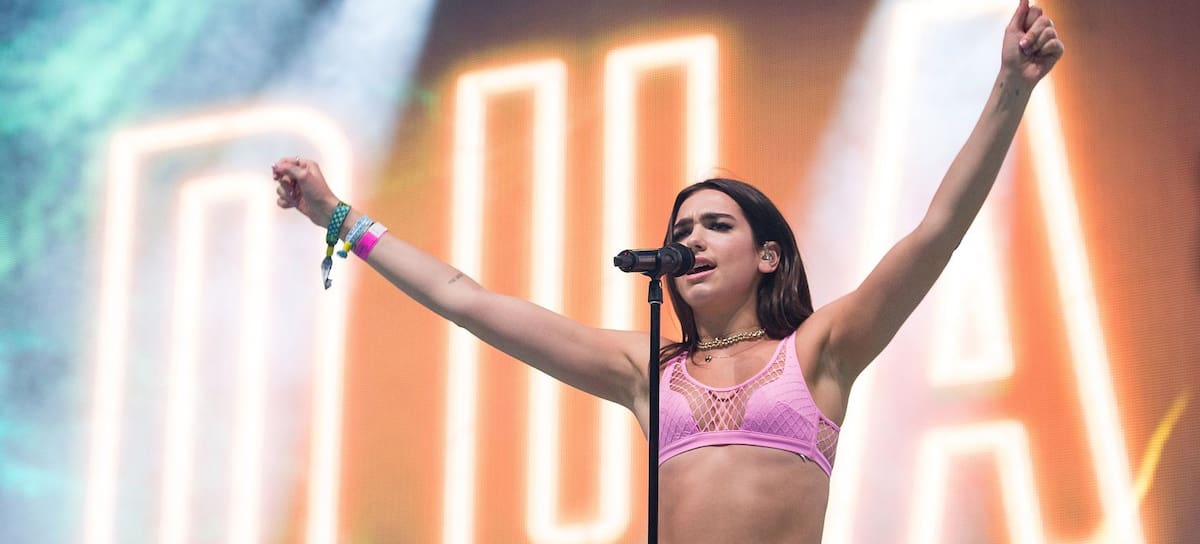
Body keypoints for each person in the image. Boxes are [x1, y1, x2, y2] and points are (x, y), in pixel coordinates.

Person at [271, 1, 1063, 541]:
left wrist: (1010, 88)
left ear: (768, 256)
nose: (693, 240)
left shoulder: (820, 351)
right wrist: (336, 217)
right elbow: (465, 298)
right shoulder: (647, 369)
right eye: (681, 230)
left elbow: (937, 231)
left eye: (717, 225)